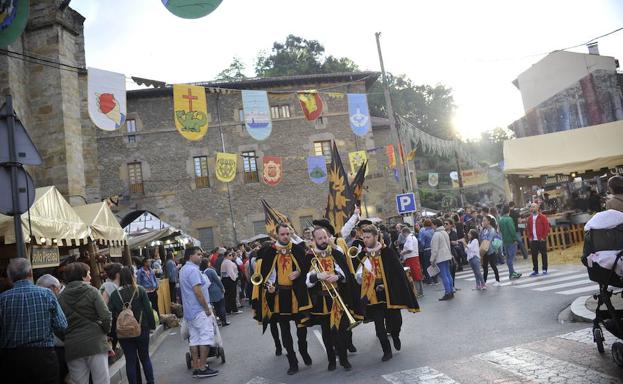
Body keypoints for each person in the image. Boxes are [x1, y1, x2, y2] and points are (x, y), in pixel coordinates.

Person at [252, 223, 313, 375]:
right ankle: (292, 361)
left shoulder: (297, 249)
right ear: (277, 235)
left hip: (297, 294)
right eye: (283, 234)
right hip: (280, 296)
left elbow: (306, 268)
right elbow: (267, 274)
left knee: (301, 327)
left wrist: (298, 273)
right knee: (285, 331)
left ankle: (303, 350)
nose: (286, 236)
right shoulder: (270, 252)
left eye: (288, 234)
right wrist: (269, 286)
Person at [355, 225, 419, 362]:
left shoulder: (388, 252)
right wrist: (362, 277)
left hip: (390, 293)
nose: (365, 240)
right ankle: (387, 351)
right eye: (363, 237)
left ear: (375, 236)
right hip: (373, 296)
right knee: (379, 327)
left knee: (396, 321)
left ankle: (395, 335)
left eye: (368, 237)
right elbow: (358, 277)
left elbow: (398, 274)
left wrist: (386, 284)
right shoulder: (362, 256)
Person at [0, 260, 67, 384]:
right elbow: (62, 325)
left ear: (10, 277)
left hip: (12, 358)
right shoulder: (47, 294)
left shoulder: (2, 299)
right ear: (30, 273)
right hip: (44, 356)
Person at [305, 227, 358, 371]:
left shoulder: (335, 253)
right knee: (327, 334)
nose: (323, 240)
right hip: (322, 302)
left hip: (337, 298)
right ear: (314, 240)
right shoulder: (310, 257)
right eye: (320, 238)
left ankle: (344, 359)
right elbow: (307, 281)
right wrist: (317, 276)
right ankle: (331, 360)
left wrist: (338, 276)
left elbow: (345, 273)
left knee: (341, 331)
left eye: (325, 237)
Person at [58, 262, 112, 384]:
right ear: (82, 276)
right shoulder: (92, 291)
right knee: (101, 380)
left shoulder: (60, 297)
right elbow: (106, 316)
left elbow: (56, 325)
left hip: (73, 346)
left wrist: (66, 337)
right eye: (88, 274)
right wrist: (104, 330)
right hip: (96, 342)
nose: (90, 277)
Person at [108, 267, 156, 384]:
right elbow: (148, 309)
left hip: (124, 332)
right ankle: (150, 381)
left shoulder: (114, 294)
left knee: (130, 360)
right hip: (142, 327)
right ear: (131, 276)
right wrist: (152, 325)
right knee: (145, 358)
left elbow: (109, 311)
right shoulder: (139, 290)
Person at [179, 247, 219, 378]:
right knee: (206, 337)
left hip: (190, 311)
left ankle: (196, 367)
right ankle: (202, 367)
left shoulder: (184, 269)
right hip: (199, 310)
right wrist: (207, 309)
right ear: (191, 256)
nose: (201, 256)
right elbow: (197, 292)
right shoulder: (192, 270)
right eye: (198, 254)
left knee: (194, 339)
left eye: (201, 254)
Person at [430, 218, 455, 301]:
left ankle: (447, 292)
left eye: (432, 225)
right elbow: (448, 245)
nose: (431, 226)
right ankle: (451, 291)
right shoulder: (444, 232)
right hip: (447, 255)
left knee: (444, 275)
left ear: (436, 225)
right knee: (448, 274)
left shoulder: (436, 234)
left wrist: (432, 260)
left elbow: (435, 249)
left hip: (440, 257)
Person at [201, 257, 229, 326]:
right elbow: (217, 280)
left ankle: (217, 320)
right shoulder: (211, 271)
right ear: (208, 263)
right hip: (216, 289)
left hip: (209, 291)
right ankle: (224, 321)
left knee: (215, 307)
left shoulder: (202, 272)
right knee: (221, 305)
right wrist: (222, 287)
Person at [527, 203, 551, 276]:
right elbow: (528, 229)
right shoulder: (529, 218)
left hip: (541, 239)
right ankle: (535, 270)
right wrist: (530, 237)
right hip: (533, 240)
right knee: (534, 256)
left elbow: (547, 228)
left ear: (537, 208)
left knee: (544, 254)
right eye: (532, 207)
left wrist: (544, 237)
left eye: (534, 207)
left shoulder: (542, 217)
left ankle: (544, 269)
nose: (533, 208)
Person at [499, 206, 522, 280]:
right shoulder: (509, 219)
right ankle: (512, 272)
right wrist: (515, 239)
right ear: (508, 211)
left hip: (505, 240)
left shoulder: (501, 219)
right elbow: (512, 230)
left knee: (508, 257)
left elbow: (500, 230)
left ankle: (511, 272)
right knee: (511, 258)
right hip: (511, 240)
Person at [400, 226, 423, 297]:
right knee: (417, 274)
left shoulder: (409, 238)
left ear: (404, 232)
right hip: (414, 257)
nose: (402, 235)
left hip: (411, 258)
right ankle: (420, 291)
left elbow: (410, 249)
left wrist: (403, 252)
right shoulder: (413, 237)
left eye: (402, 233)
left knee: (413, 275)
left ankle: (417, 292)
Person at [480, 216, 501, 286]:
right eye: (483, 221)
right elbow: (481, 238)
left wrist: (484, 240)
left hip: (491, 250)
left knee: (493, 265)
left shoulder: (492, 230)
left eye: (484, 220)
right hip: (484, 250)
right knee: (485, 267)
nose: (483, 222)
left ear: (489, 221)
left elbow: (489, 240)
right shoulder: (483, 230)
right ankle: (484, 282)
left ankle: (497, 280)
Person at [418, 219, 435, 284]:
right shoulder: (434, 231)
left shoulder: (424, 233)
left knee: (427, 266)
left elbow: (422, 243)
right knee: (433, 264)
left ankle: (429, 280)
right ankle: (435, 279)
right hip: (433, 249)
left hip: (426, 250)